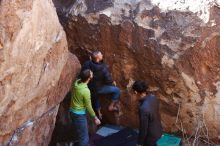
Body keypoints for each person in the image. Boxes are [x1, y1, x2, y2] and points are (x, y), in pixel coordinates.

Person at [82, 51, 121, 119]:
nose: (102, 55)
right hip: (99, 88)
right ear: (97, 59)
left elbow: (83, 72)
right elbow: (108, 80)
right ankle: (111, 107)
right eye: (101, 55)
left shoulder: (87, 63)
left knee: (95, 96)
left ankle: (99, 113)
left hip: (89, 87)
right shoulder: (103, 68)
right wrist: (112, 82)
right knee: (117, 90)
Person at [69, 69, 101, 146]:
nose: (92, 73)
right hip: (79, 114)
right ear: (89, 78)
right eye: (91, 73)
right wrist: (95, 118)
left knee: (80, 132)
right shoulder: (85, 91)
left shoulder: (76, 82)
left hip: (72, 111)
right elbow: (88, 106)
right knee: (84, 137)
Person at [132, 80, 162, 146]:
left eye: (133, 93)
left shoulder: (143, 108)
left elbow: (143, 129)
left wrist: (139, 143)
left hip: (151, 138)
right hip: (158, 131)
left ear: (135, 92)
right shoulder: (153, 97)